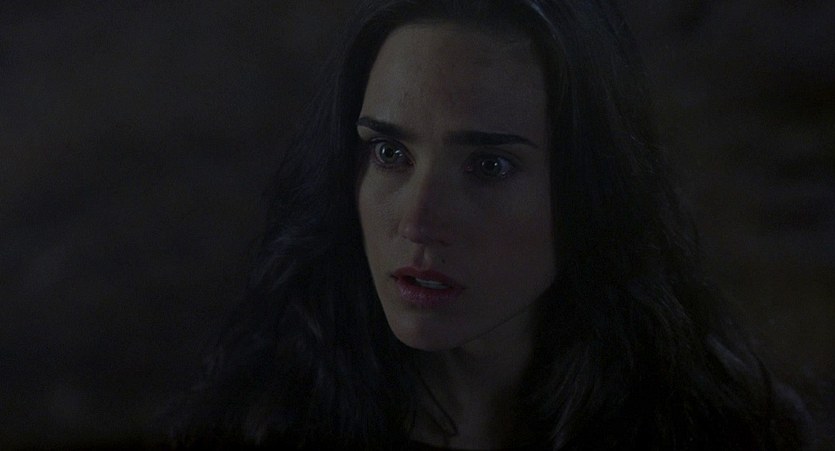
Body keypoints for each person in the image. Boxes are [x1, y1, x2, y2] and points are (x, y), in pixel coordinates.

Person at [169, 0, 809, 449]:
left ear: (591, 188)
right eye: (390, 153)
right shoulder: (258, 421)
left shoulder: (724, 431)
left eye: (488, 166)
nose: (418, 222)